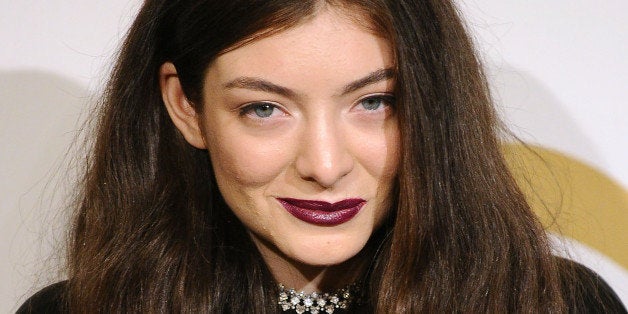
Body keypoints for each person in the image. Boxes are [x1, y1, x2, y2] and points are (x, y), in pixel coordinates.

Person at [18, 0, 626, 313]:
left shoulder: (553, 305)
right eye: (264, 109)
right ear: (186, 107)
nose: (326, 164)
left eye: (375, 102)